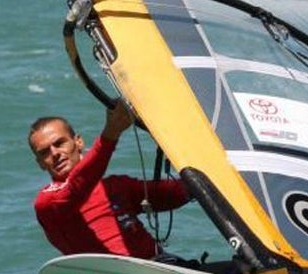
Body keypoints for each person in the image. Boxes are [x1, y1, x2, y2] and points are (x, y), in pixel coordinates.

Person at [29, 103, 191, 259]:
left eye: (59, 143)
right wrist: (111, 133)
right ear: (40, 163)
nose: (55, 153)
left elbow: (177, 192)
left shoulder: (116, 187)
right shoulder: (48, 202)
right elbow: (79, 184)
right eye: (44, 153)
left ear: (78, 142)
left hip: (163, 268)